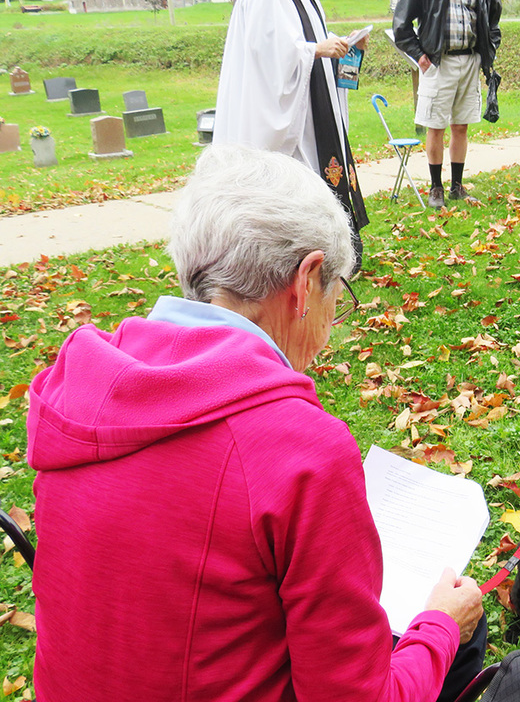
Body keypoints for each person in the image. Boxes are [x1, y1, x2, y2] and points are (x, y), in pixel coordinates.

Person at [27, 144, 486, 702]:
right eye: (337, 298)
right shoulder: (300, 451)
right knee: (456, 627)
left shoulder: (75, 388)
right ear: (305, 281)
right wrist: (439, 625)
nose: (333, 323)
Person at [214, 0, 368, 266]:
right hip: (287, 116)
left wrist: (346, 48)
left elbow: (310, 44)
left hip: (315, 108)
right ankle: (300, 261)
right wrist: (314, 50)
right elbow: (268, 60)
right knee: (295, 191)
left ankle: (333, 256)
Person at [392, 0, 502, 209]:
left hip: (469, 60)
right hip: (437, 62)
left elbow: (494, 13)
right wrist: (419, 55)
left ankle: (457, 186)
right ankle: (436, 187)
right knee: (435, 126)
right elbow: (401, 22)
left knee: (461, 126)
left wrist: (487, 49)